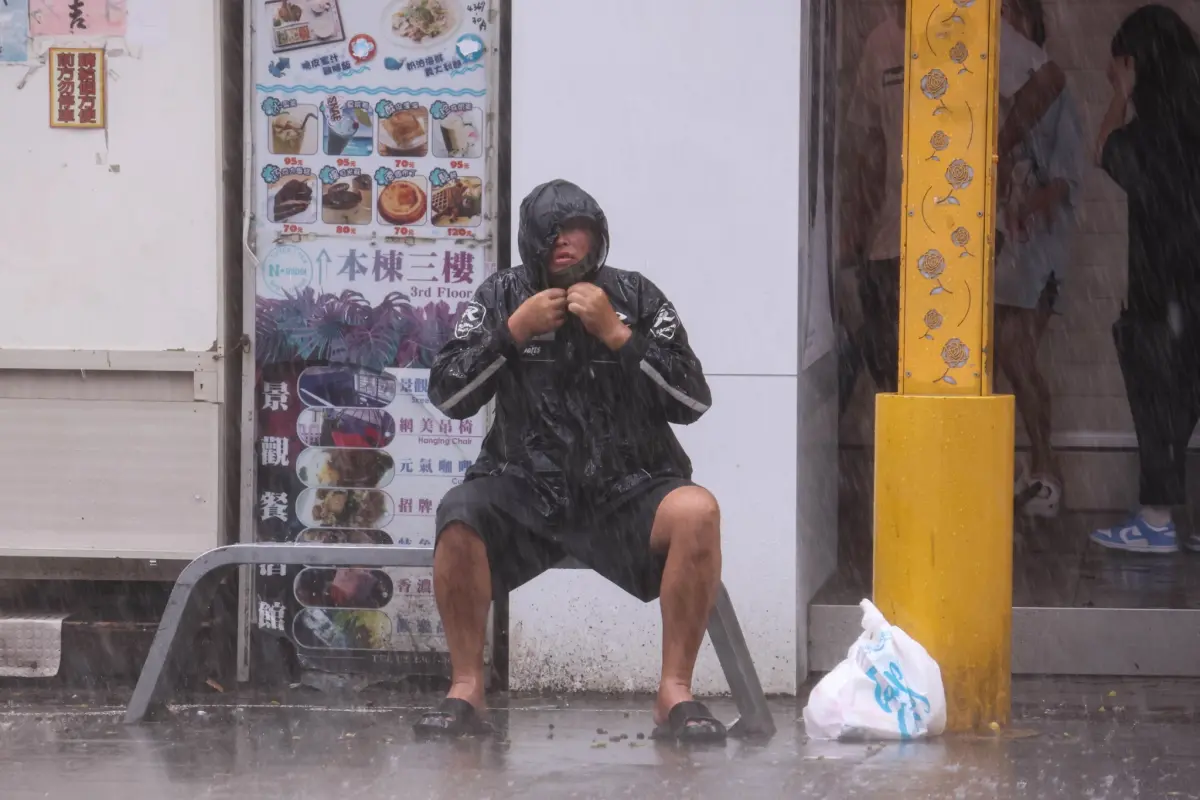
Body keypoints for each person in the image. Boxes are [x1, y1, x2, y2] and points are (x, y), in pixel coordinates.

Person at [416, 180, 725, 742]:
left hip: (627, 486)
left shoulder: (634, 295)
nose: (565, 243)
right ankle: (466, 688)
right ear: (531, 239)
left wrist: (618, 335)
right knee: (459, 515)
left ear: (598, 238)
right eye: (553, 233)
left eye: (578, 231)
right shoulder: (500, 297)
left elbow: (693, 400)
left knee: (698, 512)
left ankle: (674, 692)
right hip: (521, 485)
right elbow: (449, 395)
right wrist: (512, 333)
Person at [839, 0, 1068, 409]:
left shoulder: (974, 27)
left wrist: (992, 149)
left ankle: (948, 462)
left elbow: (1049, 79)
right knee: (892, 373)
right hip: (892, 238)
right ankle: (913, 465)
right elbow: (871, 143)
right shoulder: (881, 43)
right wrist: (854, 229)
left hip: (963, 234)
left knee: (951, 372)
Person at [1090, 5, 1200, 554]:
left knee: (1158, 399)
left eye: (1118, 68)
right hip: (1191, 290)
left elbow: (1104, 149)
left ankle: (1156, 519)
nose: (1113, 76)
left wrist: (1120, 96)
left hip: (1164, 291)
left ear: (1135, 63)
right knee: (1184, 397)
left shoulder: (1153, 129)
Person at [995, 0, 1085, 518]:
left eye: (1011, 17)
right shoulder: (1011, 97)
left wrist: (1029, 204)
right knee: (1005, 356)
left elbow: (1067, 178)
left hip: (1040, 252)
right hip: (1011, 249)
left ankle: (1046, 465)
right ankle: (1025, 466)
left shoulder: (1057, 94)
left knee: (1018, 355)